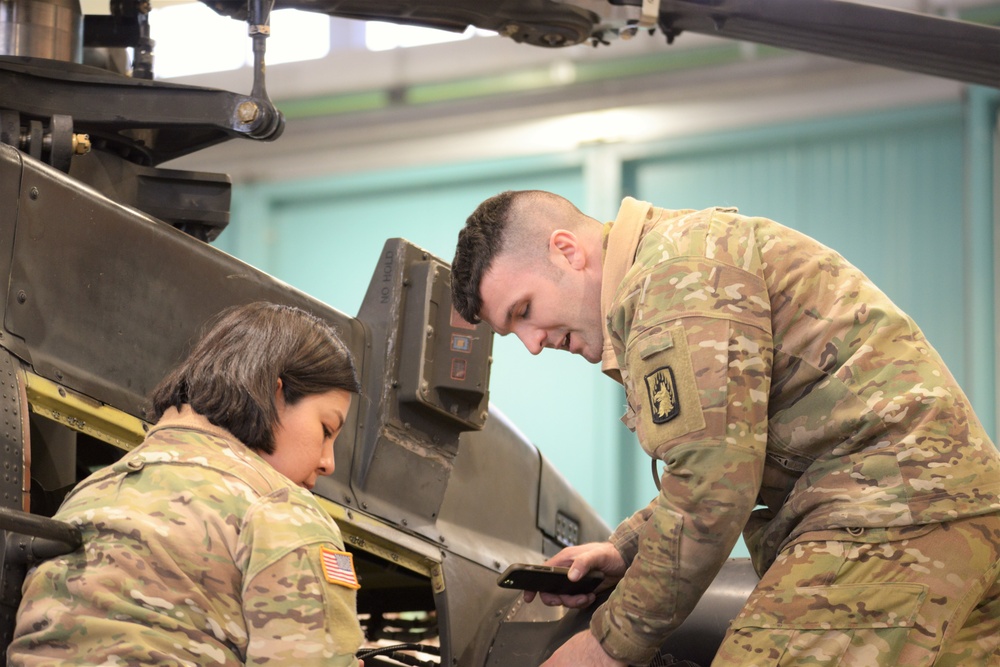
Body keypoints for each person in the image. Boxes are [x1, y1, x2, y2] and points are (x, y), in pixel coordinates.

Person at [450, 190, 1000, 667]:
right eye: (511, 331)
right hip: (945, 515)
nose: (532, 342)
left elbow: (711, 491)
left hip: (887, 518)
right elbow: (733, 454)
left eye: (524, 310)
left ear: (567, 251)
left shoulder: (670, 280)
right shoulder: (682, 257)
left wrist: (605, 647)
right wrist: (626, 547)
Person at [9, 302, 366, 666]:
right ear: (276, 396)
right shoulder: (280, 510)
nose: (328, 462)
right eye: (326, 430)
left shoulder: (92, 491)